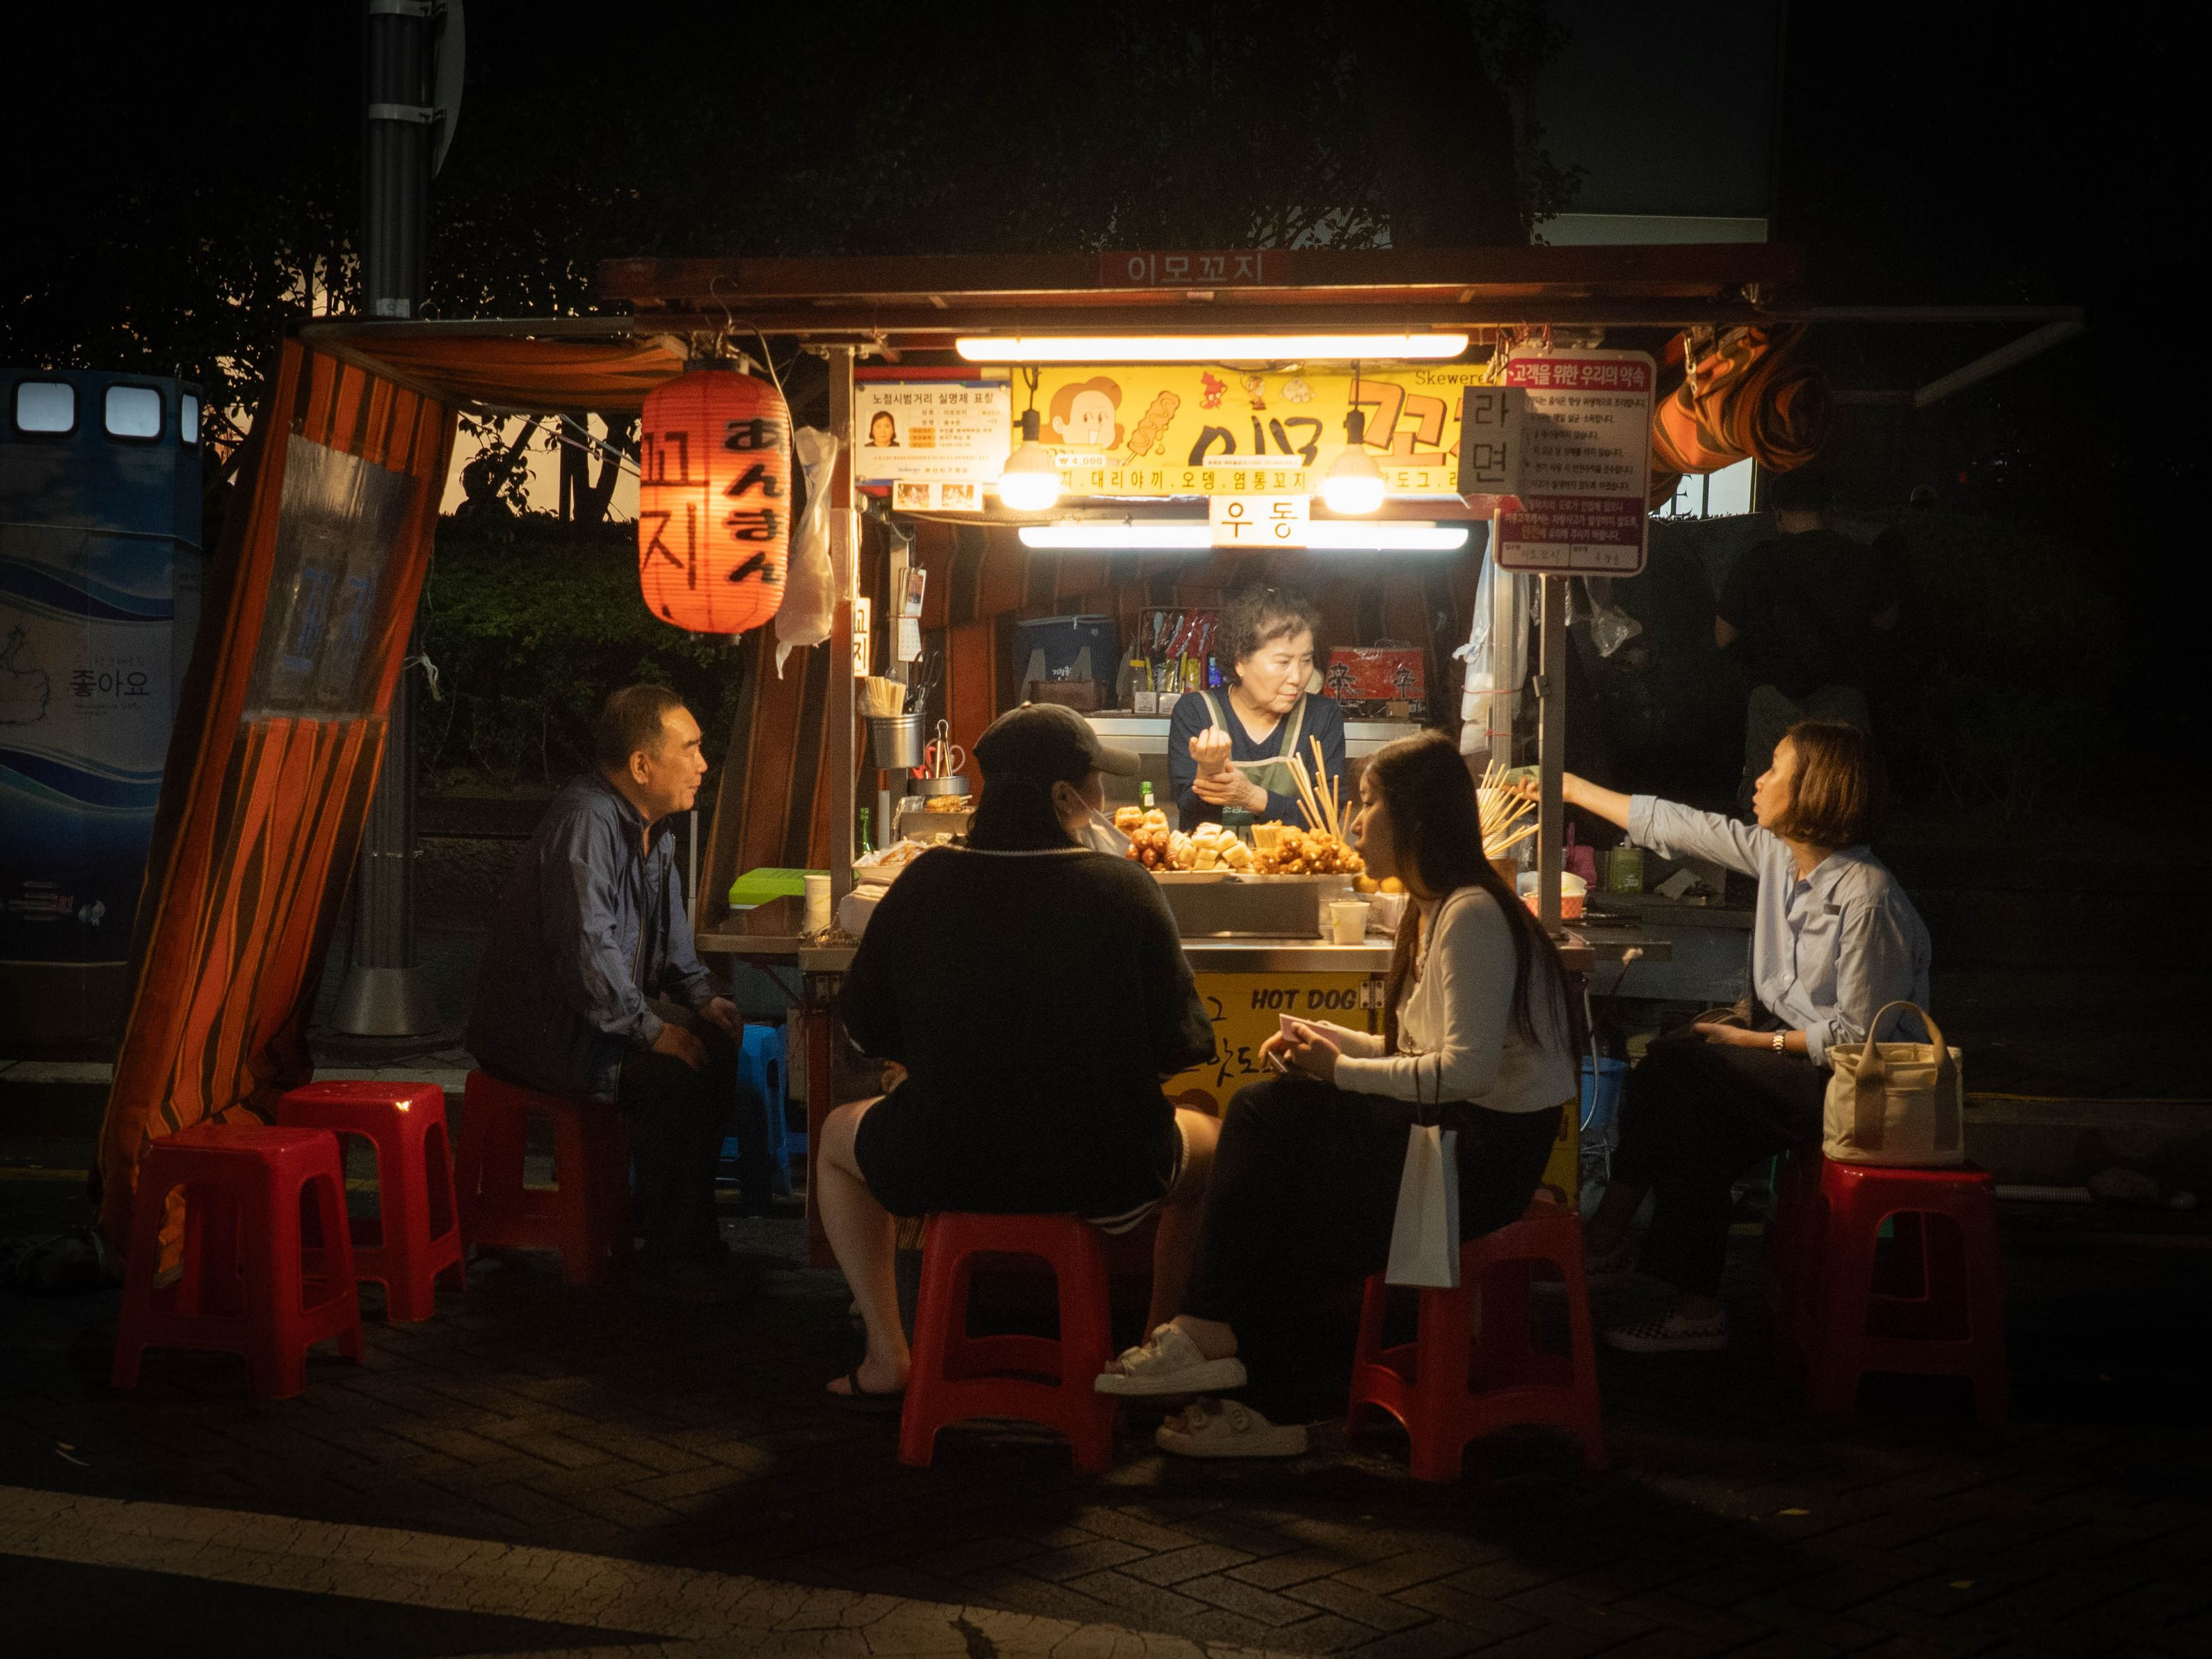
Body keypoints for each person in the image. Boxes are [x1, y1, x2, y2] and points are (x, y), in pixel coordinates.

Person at [1098, 731, 1577, 1457]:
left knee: (1269, 1124)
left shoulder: (1472, 914)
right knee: (1278, 1147)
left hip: (1486, 1159)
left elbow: (1465, 1072)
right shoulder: (1433, 908)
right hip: (1453, 1132)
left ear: (1414, 818)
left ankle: (1229, 1360)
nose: (1355, 823)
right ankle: (1255, 1394)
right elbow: (1424, 1055)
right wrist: (1333, 1042)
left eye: (1369, 803)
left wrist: (1338, 1070)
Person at [817, 703, 1220, 1411]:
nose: (1103, 797)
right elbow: (1180, 1047)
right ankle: (1157, 1348)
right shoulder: (1127, 889)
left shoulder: (923, 883)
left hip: (944, 1158)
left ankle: (887, 1353)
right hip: (1104, 1166)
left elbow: (868, 1028)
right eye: (1094, 782)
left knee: (832, 1140)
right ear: (1064, 796)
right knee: (1213, 1142)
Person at [1543, 719, 1931, 1353]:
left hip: (1855, 1082)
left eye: (1776, 768)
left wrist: (1751, 1044)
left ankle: (1610, 1242)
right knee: (1679, 1083)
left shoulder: (1869, 897)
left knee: (1685, 1076)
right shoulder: (1779, 856)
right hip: (1789, 1056)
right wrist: (1571, 788)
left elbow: (1859, 1037)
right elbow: (1682, 825)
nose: (1758, 780)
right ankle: (1681, 1297)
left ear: (1815, 791)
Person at [466, 684, 756, 1304]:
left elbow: (671, 939)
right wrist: (653, 1031)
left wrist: (701, 998)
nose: (704, 763)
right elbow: (586, 956)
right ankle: (665, 1257)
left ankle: (688, 1235)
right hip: (547, 1030)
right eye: (690, 748)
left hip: (594, 1015)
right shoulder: (588, 823)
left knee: (716, 1040)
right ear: (642, 765)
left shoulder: (654, 830)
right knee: (673, 1075)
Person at [1718, 470, 1901, 810]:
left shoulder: (1757, 561)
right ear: (1830, 510)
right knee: (1842, 801)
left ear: (1779, 513)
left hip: (1772, 698)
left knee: (1772, 802)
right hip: (1843, 697)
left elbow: (1725, 635)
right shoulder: (1860, 558)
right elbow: (1886, 621)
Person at [1168, 582, 1346, 828]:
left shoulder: (1321, 716)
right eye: (1283, 662)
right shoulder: (1196, 711)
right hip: (1214, 855)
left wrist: (1254, 798)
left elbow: (1327, 817)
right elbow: (1191, 820)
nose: (1297, 677)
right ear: (1241, 661)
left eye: (1306, 660)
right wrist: (1210, 771)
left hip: (1294, 855)